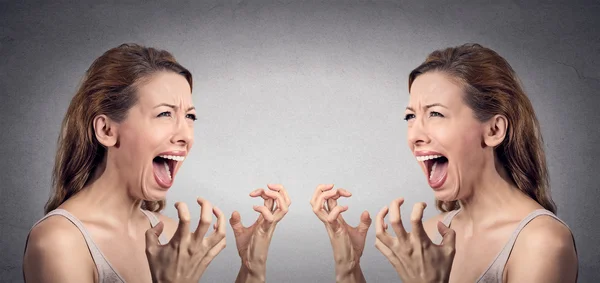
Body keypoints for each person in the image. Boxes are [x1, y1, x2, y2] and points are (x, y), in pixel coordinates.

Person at [22, 43, 290, 283]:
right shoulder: (59, 242)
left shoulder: (169, 234)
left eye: (190, 117)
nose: (186, 135)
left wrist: (252, 264)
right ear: (106, 130)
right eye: (164, 114)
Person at [312, 43, 578, 283]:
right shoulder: (431, 235)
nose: (415, 135)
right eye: (410, 117)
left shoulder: (542, 242)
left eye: (436, 113)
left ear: (494, 130)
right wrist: (347, 264)